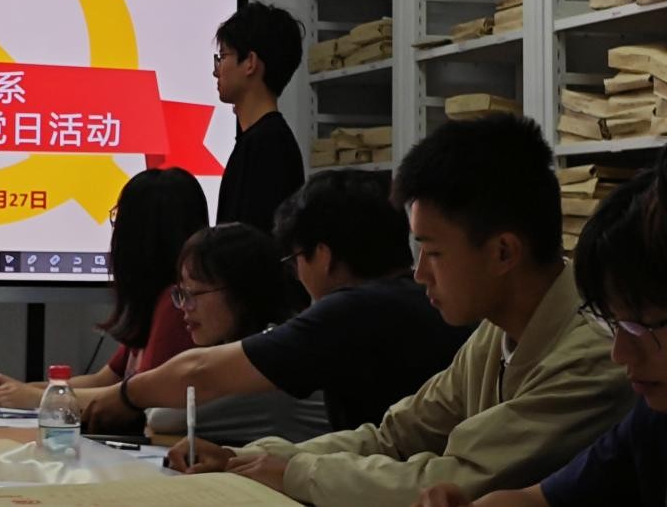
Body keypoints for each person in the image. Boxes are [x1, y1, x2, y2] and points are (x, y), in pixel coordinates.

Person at [169, 114, 634, 507]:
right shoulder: (497, 331)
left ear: (503, 252)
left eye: (434, 252)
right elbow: (395, 436)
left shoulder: (595, 354)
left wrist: (291, 472)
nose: (420, 273)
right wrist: (249, 458)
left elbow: (455, 479)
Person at [83, 169, 468, 434]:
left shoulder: (353, 310)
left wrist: (127, 396)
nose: (297, 274)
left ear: (323, 256)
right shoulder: (409, 303)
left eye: (296, 259)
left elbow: (200, 373)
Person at [415, 146, 667, 507]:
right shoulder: (652, 419)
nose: (619, 352)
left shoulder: (589, 361)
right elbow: (538, 499)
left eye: (639, 327)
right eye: (613, 323)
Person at [0, 167, 207, 428]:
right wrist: (25, 390)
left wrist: (38, 398)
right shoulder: (154, 303)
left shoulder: (173, 306)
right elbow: (103, 380)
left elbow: (134, 398)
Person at [81, 222, 330, 445]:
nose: (185, 307)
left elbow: (165, 416)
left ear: (242, 293)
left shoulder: (273, 355)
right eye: (181, 294)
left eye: (195, 294)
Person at [212, 2, 305, 231]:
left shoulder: (267, 144)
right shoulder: (261, 139)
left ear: (250, 63)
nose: (216, 70)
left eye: (223, 56)